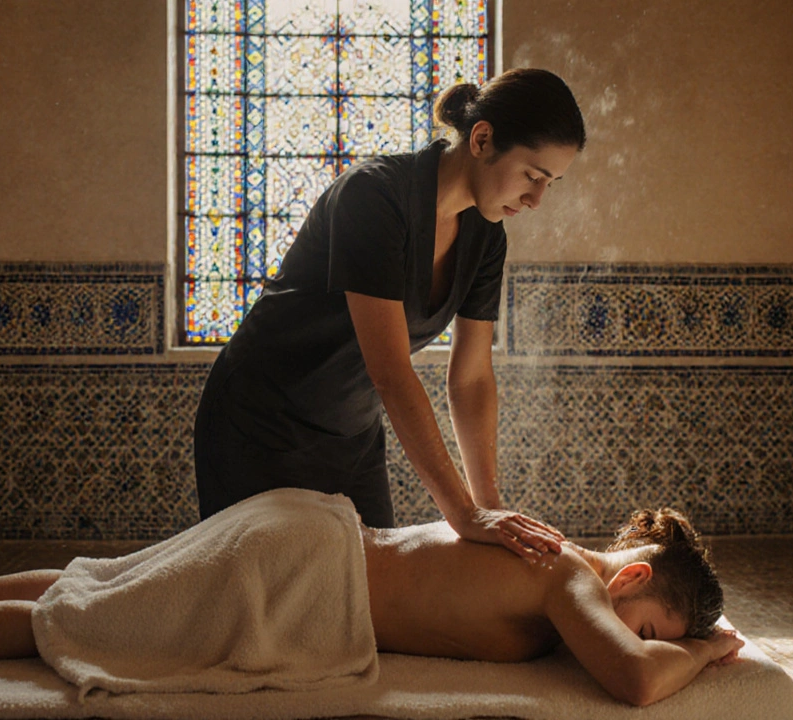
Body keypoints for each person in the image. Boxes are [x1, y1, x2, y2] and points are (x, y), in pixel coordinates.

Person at [0, 497, 743, 707]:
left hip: (306, 534)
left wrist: (684, 638)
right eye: (648, 626)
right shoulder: (573, 576)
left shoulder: (551, 549)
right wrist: (705, 651)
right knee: (94, 623)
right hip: (297, 575)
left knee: (116, 585)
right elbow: (631, 683)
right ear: (632, 579)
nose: (635, 641)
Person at [194, 67, 587, 560]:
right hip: (259, 424)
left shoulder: (486, 236)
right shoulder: (374, 195)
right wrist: (463, 515)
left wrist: (489, 508)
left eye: (550, 184)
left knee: (364, 595)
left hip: (352, 435)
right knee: (261, 595)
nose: (536, 200)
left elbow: (470, 379)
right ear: (482, 139)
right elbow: (391, 372)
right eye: (532, 176)